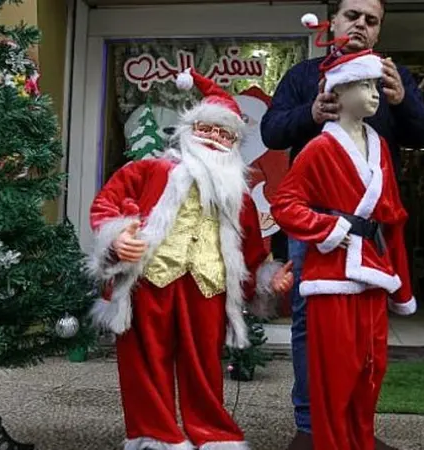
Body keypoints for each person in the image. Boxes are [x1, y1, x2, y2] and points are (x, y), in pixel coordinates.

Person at [260, 2, 424, 449]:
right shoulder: (304, 76)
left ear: (378, 32)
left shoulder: (389, 78)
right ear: (333, 21)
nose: (360, 24)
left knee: (366, 333)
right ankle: (310, 426)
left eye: (371, 20)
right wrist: (310, 115)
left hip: (371, 225)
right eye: (352, 15)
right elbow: (270, 132)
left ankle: (357, 430)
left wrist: (404, 99)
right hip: (317, 222)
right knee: (310, 321)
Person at [86, 68, 293, 450]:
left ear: (234, 143)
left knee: (204, 368)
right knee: (146, 363)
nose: (216, 138)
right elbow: (106, 204)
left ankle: (214, 436)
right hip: (151, 281)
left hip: (207, 287)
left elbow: (250, 251)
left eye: (225, 133)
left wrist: (267, 278)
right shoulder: (150, 169)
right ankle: (154, 435)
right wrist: (118, 238)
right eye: (208, 130)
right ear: (189, 130)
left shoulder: (239, 196)